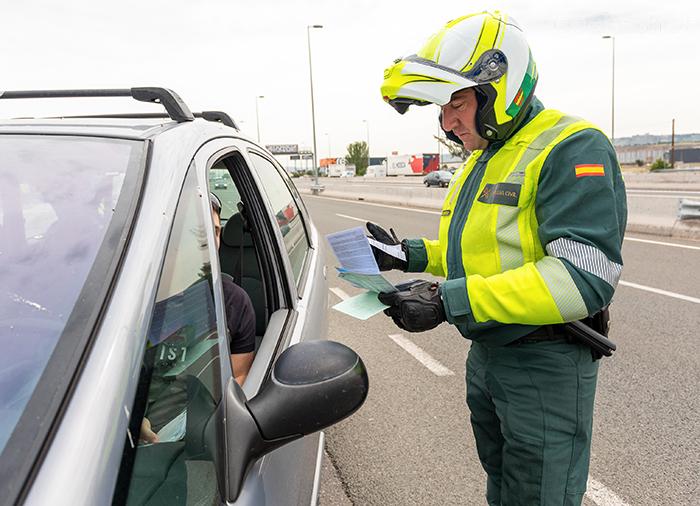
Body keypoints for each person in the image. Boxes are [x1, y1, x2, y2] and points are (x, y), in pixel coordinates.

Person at [374, 11, 627, 506]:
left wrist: (448, 301)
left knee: (540, 497)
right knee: (504, 489)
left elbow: (582, 279)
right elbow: (479, 252)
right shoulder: (486, 154)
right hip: (489, 355)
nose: (447, 121)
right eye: (442, 108)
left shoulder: (570, 145)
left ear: (501, 87)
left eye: (457, 103)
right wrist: (407, 254)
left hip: (543, 361)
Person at [210, 192, 256, 386]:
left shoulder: (233, 302)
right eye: (197, 231)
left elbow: (237, 379)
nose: (210, 241)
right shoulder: (124, 299)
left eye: (215, 231)